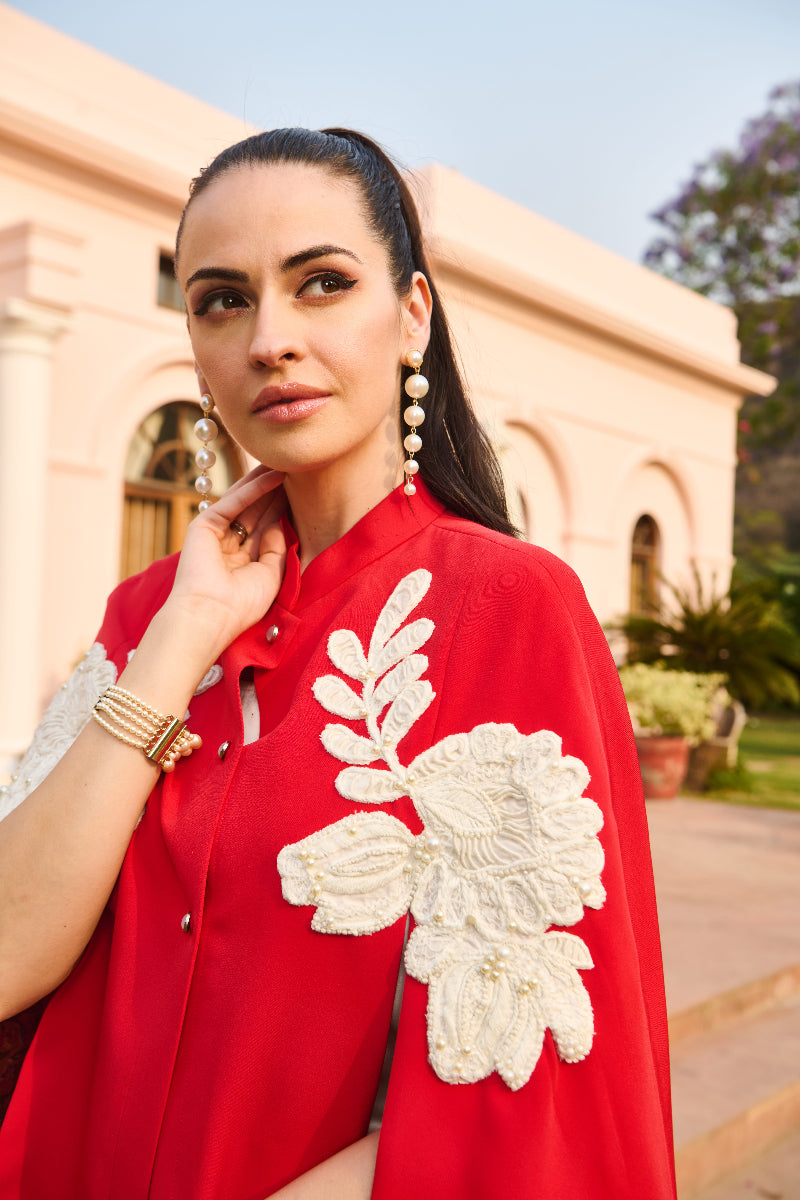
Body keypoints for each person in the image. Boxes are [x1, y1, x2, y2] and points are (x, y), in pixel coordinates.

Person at [0, 128, 677, 1199]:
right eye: (220, 299)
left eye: (320, 284)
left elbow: (514, 1075)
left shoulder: (504, 608)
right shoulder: (150, 614)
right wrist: (181, 638)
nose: (269, 337)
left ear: (411, 314)